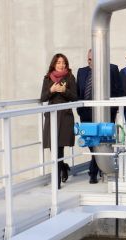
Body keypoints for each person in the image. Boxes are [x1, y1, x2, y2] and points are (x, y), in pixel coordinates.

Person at [76, 48, 122, 183]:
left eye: (93, 59)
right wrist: (80, 110)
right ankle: (98, 167)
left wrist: (114, 109)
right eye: (89, 59)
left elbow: (118, 89)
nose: (90, 62)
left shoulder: (112, 69)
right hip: (86, 113)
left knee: (101, 141)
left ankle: (93, 172)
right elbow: (79, 91)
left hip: (105, 112)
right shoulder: (82, 71)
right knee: (90, 142)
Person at [40, 53, 78, 188]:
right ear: (54, 64)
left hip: (65, 117)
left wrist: (64, 90)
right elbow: (42, 98)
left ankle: (56, 183)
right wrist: (51, 90)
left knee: (59, 147)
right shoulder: (47, 78)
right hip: (51, 116)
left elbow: (75, 97)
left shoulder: (70, 77)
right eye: (58, 63)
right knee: (53, 147)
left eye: (63, 63)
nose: (61, 65)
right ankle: (63, 167)